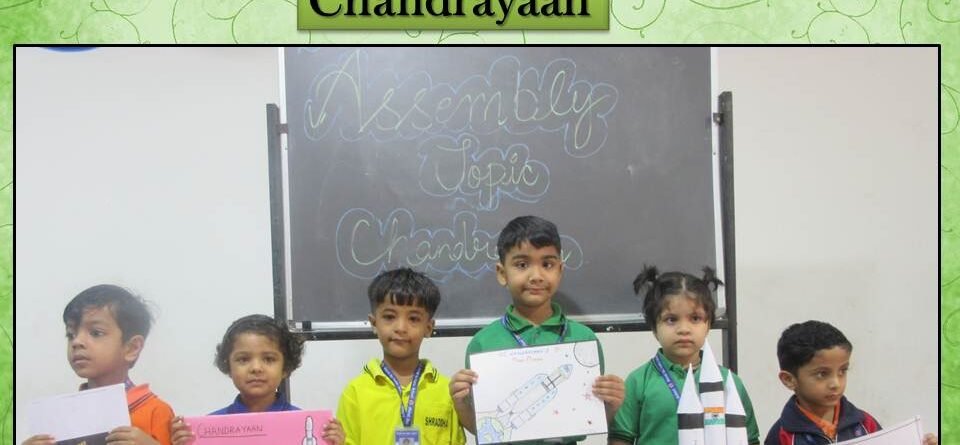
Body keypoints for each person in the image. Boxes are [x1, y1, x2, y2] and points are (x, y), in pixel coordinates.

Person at [449, 215, 625, 444]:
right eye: (522, 265)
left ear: (560, 271)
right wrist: (461, 404)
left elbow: (589, 419)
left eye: (547, 264)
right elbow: (485, 428)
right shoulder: (483, 343)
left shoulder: (584, 340)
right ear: (502, 273)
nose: (536, 276)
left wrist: (611, 405)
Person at [608, 266, 761, 445]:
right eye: (671, 319)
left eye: (695, 318)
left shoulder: (729, 382)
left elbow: (750, 439)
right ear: (654, 328)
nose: (684, 329)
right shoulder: (638, 382)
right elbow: (621, 438)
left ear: (708, 325)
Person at [23, 284, 175, 445]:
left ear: (132, 348)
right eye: (71, 334)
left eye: (96, 333)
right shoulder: (61, 416)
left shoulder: (155, 411)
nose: (77, 341)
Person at [337, 268, 466, 445]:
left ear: (428, 328)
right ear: (374, 323)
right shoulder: (355, 393)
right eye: (389, 317)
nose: (401, 328)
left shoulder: (446, 392)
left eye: (413, 319)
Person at [170, 314, 343, 445]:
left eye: (269, 359)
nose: (256, 368)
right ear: (228, 366)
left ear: (286, 367)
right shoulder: (207, 431)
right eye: (243, 359)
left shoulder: (306, 427)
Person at [765, 320, 938, 445]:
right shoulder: (781, 436)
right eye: (822, 374)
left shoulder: (866, 424)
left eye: (842, 371)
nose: (835, 383)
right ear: (789, 380)